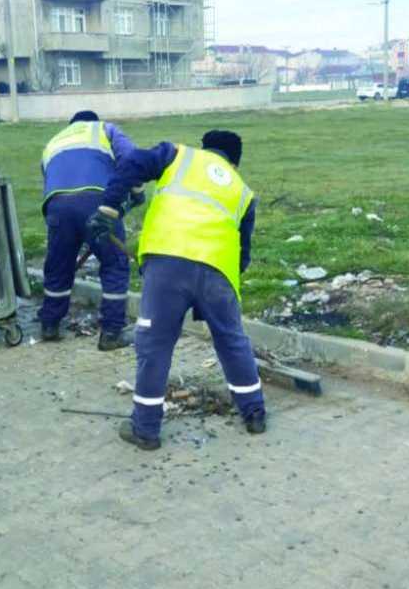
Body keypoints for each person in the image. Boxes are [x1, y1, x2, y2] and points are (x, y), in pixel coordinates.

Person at [89, 130, 267, 451]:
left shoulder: (179, 156)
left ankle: (145, 429)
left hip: (167, 263)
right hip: (219, 271)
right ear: (235, 161)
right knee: (232, 339)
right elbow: (244, 253)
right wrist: (220, 283)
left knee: (154, 344)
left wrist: (108, 209)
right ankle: (254, 413)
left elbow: (131, 163)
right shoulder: (242, 191)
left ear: (205, 148)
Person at [38, 110, 137, 351]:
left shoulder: (54, 141)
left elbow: (49, 176)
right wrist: (136, 191)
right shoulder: (104, 129)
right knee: (114, 263)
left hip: (57, 204)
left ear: (72, 124)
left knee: (59, 263)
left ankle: (49, 324)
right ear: (93, 120)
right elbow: (132, 158)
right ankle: (111, 332)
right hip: (96, 200)